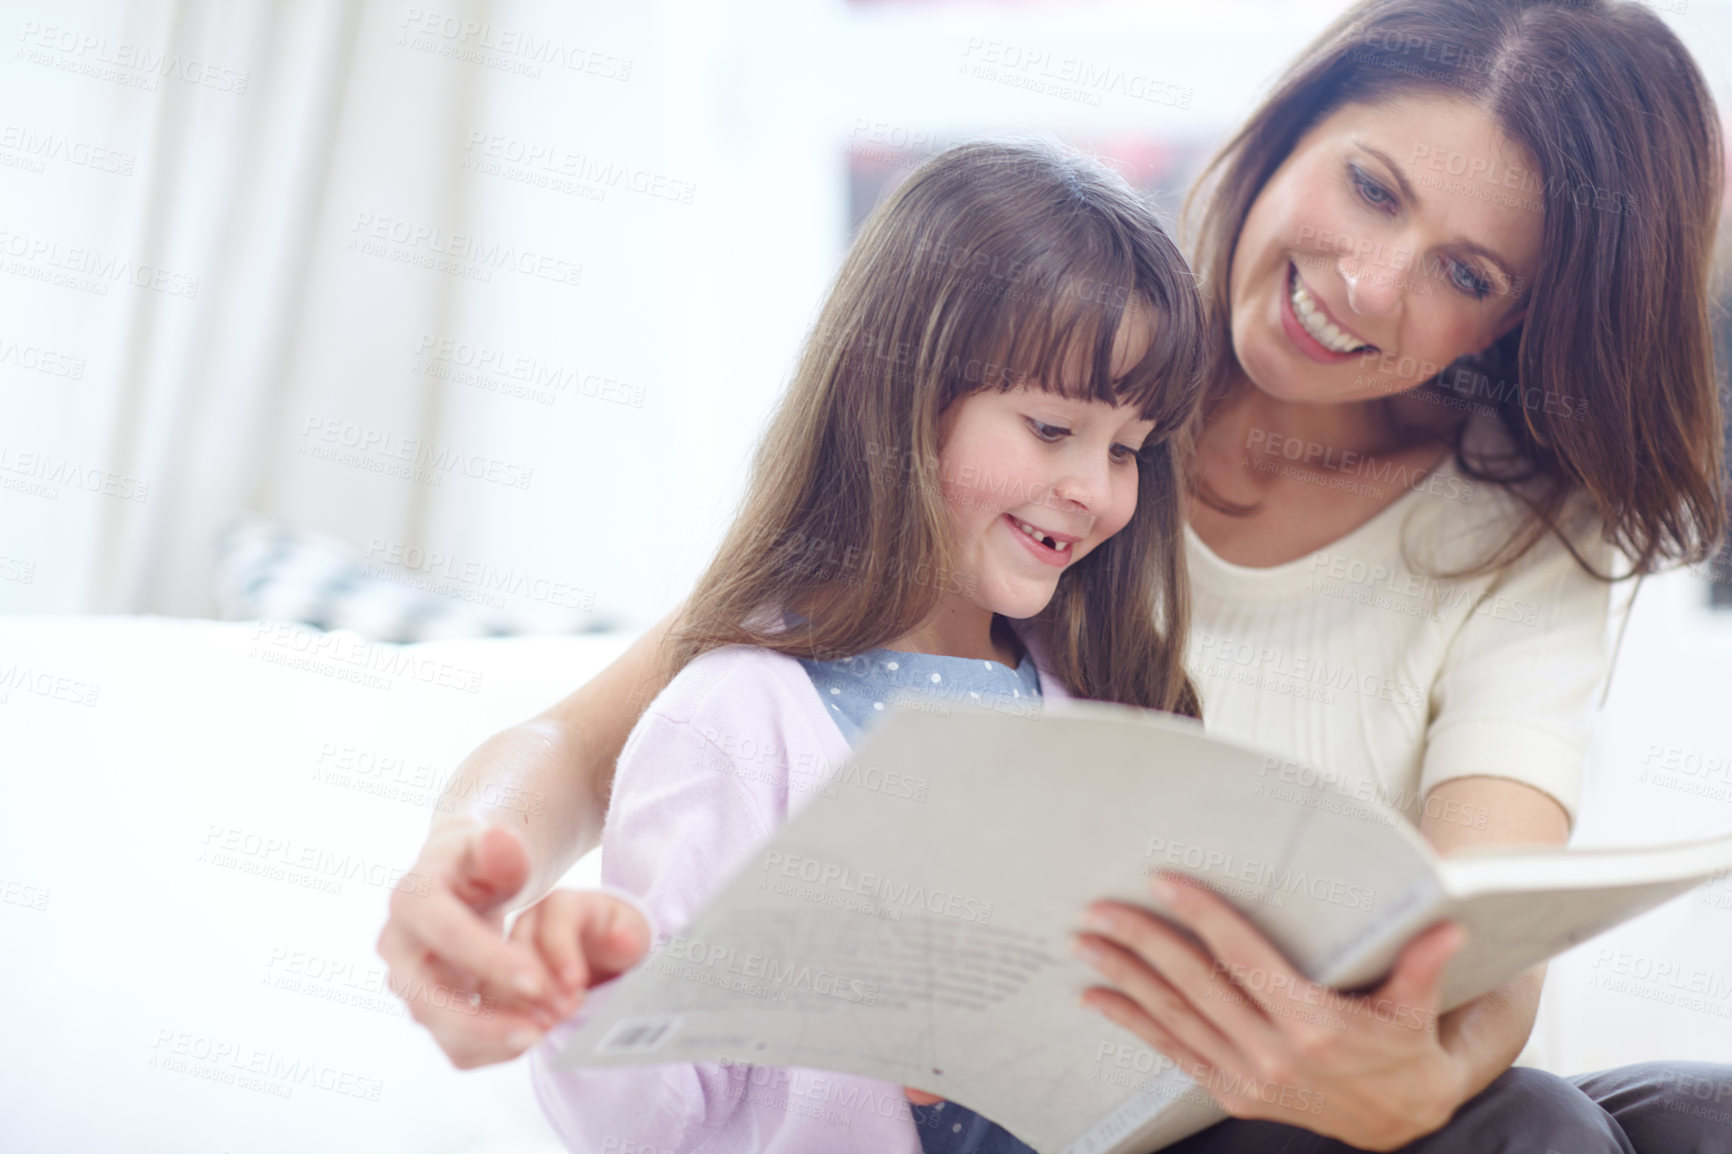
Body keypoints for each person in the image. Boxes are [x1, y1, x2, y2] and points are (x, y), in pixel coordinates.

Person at [376, 0, 1732, 1149]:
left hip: (1325, 1085)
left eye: (1467, 271)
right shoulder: (1063, 386)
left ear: (1527, 313)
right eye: (1372, 187)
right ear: (1286, 130)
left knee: (1676, 1116)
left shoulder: (1520, 521)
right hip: (1105, 1119)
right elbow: (613, 727)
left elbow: (1490, 933)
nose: (1369, 286)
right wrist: (467, 883)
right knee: (1548, 1130)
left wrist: (1415, 1080)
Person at [428, 137, 1206, 1151]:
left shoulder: (1096, 705)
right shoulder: (739, 716)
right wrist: (592, 987)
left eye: (1126, 450)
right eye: (1051, 427)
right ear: (898, 402)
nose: (1095, 489)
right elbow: (647, 1119)